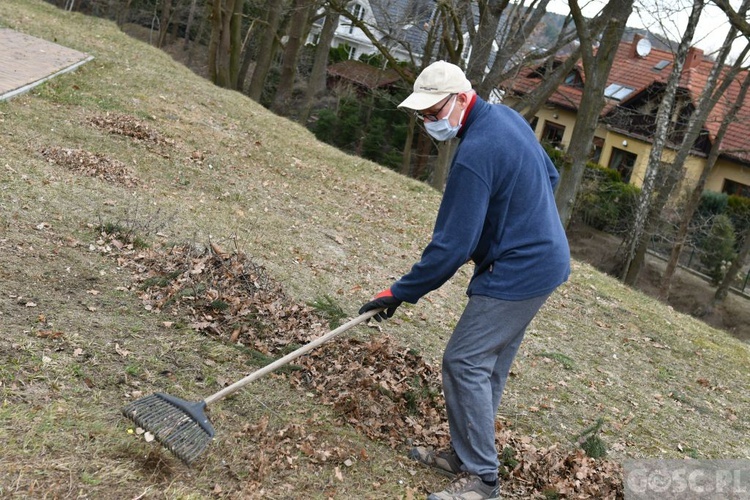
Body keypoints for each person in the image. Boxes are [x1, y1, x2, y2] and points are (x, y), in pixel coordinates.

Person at [359, 60, 570, 500]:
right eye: (423, 116)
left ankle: (482, 479)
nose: (428, 123)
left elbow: (451, 247)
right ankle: (467, 453)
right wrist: (510, 223)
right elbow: (548, 175)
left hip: (521, 269)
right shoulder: (506, 117)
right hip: (542, 259)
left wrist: (400, 292)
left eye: (434, 114)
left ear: (460, 99)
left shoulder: (474, 154)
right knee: (485, 364)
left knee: (464, 360)